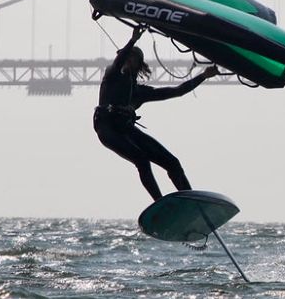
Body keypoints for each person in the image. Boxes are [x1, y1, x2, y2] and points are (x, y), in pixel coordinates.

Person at [93, 26, 219, 201]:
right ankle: (160, 204)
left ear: (139, 64)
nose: (127, 61)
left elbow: (177, 91)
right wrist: (132, 41)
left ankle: (192, 202)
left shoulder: (139, 92)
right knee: (142, 160)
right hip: (107, 129)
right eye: (126, 57)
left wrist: (203, 75)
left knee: (172, 163)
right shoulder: (111, 76)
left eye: (133, 59)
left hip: (126, 130)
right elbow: (118, 61)